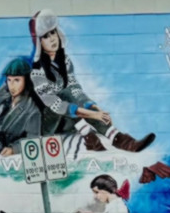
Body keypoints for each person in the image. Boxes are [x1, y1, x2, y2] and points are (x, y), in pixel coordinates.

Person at [27, 10, 154, 153]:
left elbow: (76, 90)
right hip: (50, 124)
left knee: (71, 93)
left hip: (70, 119)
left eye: (53, 33)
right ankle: (89, 136)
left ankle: (122, 141)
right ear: (39, 42)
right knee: (64, 96)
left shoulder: (65, 62)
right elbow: (57, 106)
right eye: (45, 36)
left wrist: (95, 108)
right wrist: (93, 115)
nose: (52, 39)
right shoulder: (37, 73)